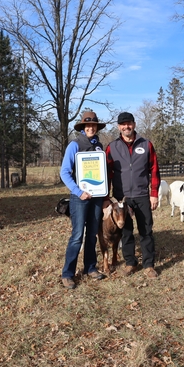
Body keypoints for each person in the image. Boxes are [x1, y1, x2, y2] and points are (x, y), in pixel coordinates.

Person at [105, 111, 161, 279]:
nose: (126, 126)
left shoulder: (146, 144)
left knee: (146, 230)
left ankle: (149, 265)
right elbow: (107, 173)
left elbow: (154, 170)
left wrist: (154, 193)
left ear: (134, 124)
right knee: (127, 232)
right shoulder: (112, 147)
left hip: (142, 194)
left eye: (129, 123)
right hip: (122, 198)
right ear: (118, 127)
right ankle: (130, 263)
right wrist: (106, 197)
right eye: (123, 124)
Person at [59, 111, 108, 289]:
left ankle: (90, 267)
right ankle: (68, 273)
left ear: (97, 127)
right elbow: (64, 172)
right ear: (82, 127)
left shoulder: (99, 146)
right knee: (77, 235)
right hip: (80, 198)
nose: (91, 128)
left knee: (92, 234)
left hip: (96, 197)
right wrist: (79, 192)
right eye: (87, 125)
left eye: (93, 125)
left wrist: (103, 195)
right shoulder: (74, 145)